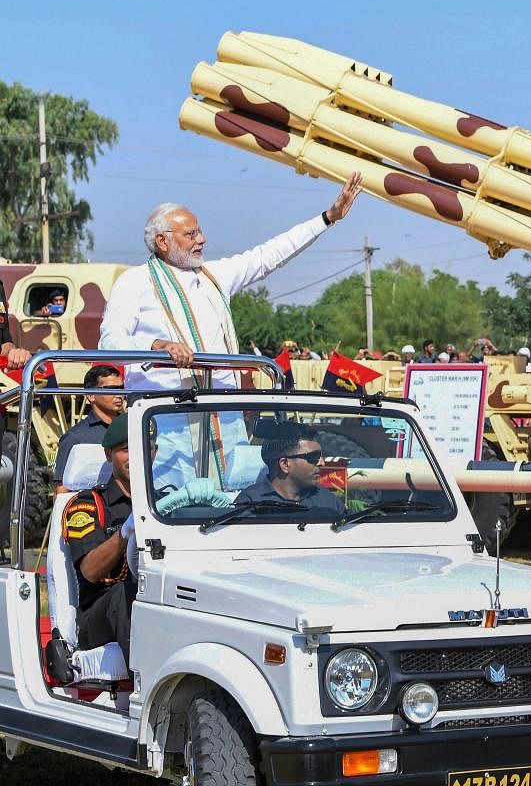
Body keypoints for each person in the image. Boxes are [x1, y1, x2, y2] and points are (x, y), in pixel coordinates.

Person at [99, 173, 363, 392]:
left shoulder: (213, 276)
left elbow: (268, 256)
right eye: (191, 234)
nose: (202, 240)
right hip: (163, 414)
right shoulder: (134, 281)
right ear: (162, 241)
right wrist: (157, 347)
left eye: (199, 231)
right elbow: (109, 344)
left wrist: (328, 218)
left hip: (222, 410)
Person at [61, 413, 137, 663]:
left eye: (144, 447)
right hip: (99, 615)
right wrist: (125, 532)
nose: (136, 455)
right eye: (126, 449)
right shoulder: (86, 505)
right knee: (127, 593)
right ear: (108, 455)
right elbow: (90, 570)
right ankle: (145, 687)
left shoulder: (165, 502)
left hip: (150, 599)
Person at [236, 422, 344, 513]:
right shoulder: (250, 503)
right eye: (313, 457)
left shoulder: (329, 502)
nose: (322, 463)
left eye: (321, 456)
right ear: (285, 464)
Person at [54, 364, 125, 492]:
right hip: (92, 508)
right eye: (111, 389)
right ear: (91, 395)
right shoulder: (75, 438)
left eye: (121, 388)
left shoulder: (131, 428)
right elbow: (62, 490)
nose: (119, 394)